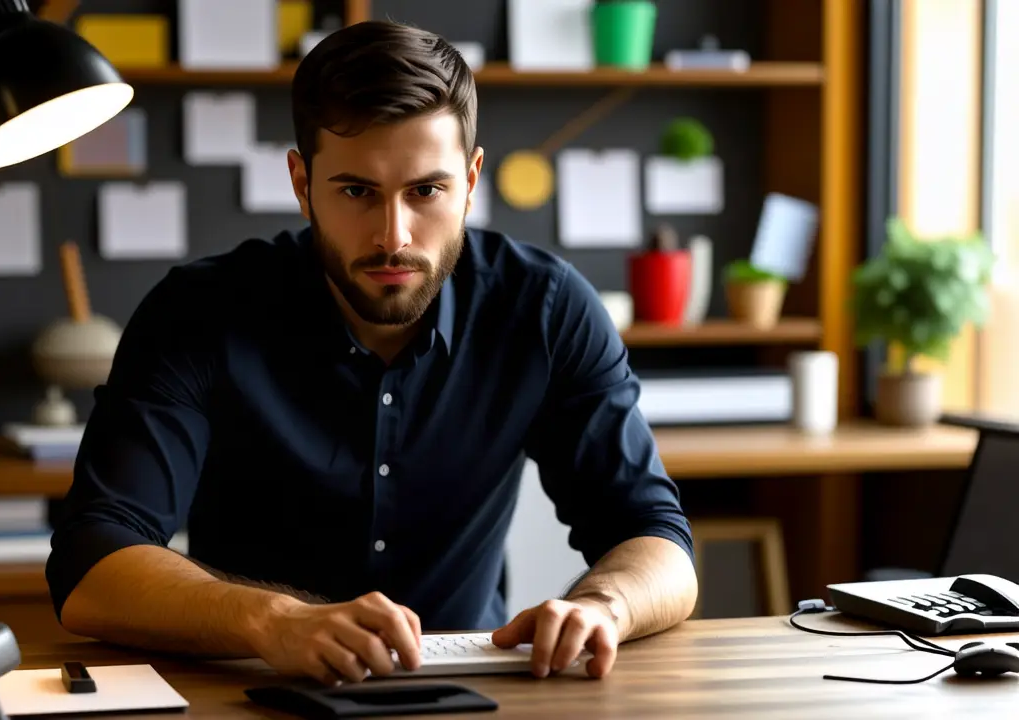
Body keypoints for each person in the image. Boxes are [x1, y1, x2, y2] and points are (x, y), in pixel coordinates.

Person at [46, 19, 697, 686]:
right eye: (357, 192)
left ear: (471, 180)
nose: (395, 236)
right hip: (250, 688)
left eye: (426, 191)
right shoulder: (199, 312)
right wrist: (274, 621)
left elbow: (656, 537)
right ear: (302, 184)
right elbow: (91, 562)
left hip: (474, 691)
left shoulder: (546, 308)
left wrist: (604, 605)